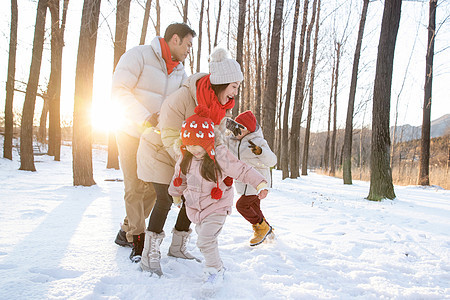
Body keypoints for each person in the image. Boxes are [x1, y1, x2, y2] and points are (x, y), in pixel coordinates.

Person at [136, 47, 243, 275]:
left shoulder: (218, 106)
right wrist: (194, 160)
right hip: (158, 149)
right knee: (165, 198)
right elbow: (169, 135)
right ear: (222, 83)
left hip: (189, 154)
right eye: (234, 86)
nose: (236, 92)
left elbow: (216, 138)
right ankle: (149, 254)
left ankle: (177, 247)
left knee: (193, 194)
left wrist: (217, 161)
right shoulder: (182, 98)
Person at [111, 23, 196, 262]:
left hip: (156, 137)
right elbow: (119, 90)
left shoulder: (181, 72)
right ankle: (137, 239)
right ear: (175, 39)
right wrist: (144, 117)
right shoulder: (138, 56)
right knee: (134, 186)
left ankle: (126, 228)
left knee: (153, 187)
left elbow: (186, 101)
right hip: (130, 130)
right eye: (188, 44)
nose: (189, 50)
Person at [168, 106, 269, 288]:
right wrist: (175, 195)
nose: (193, 149)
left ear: (208, 141)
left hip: (217, 205)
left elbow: (241, 169)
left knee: (205, 240)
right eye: (188, 144)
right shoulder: (186, 157)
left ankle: (215, 270)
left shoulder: (220, 155)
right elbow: (178, 179)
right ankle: (216, 265)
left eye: (197, 144)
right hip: (195, 209)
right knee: (205, 241)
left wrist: (259, 182)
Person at [227, 110, 277, 246]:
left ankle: (262, 229)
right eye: (234, 130)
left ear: (247, 130)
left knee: (242, 205)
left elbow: (272, 161)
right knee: (255, 209)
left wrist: (261, 152)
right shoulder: (232, 141)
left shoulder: (258, 141)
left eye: (239, 131)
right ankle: (268, 231)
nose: (235, 134)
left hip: (257, 183)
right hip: (243, 183)